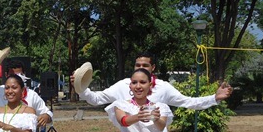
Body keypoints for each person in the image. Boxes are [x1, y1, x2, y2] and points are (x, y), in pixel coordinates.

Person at [72, 51, 232, 109]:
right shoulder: (122, 86)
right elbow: (96, 99)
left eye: (145, 65)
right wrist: (81, 87)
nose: (140, 67)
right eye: (137, 64)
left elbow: (188, 102)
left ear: (153, 67)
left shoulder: (163, 87)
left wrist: (214, 98)